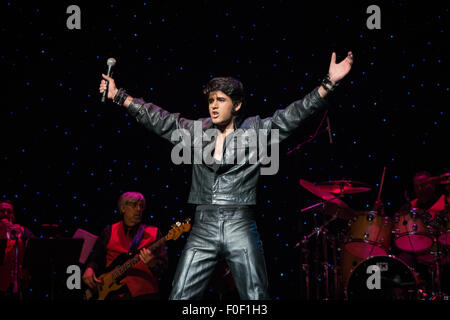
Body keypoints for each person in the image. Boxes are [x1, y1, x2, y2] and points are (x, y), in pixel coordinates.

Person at [98, 52, 354, 299]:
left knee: (256, 295)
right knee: (180, 295)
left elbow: (293, 116)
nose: (214, 106)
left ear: (237, 105)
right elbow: (159, 119)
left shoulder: (255, 130)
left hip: (239, 223)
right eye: (211, 101)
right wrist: (119, 96)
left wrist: (328, 84)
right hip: (203, 224)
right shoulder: (195, 130)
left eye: (221, 100)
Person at [82, 192, 168, 300]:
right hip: (111, 293)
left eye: (141, 206)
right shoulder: (109, 231)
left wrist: (152, 262)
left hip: (144, 293)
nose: (138, 209)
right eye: (134, 205)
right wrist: (89, 269)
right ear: (123, 208)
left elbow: (163, 269)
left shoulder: (154, 233)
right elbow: (96, 259)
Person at [0, 200, 35, 299]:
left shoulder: (22, 231)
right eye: (2, 211)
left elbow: (37, 249)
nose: (5, 214)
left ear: (13, 215)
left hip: (18, 285)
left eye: (9, 211)